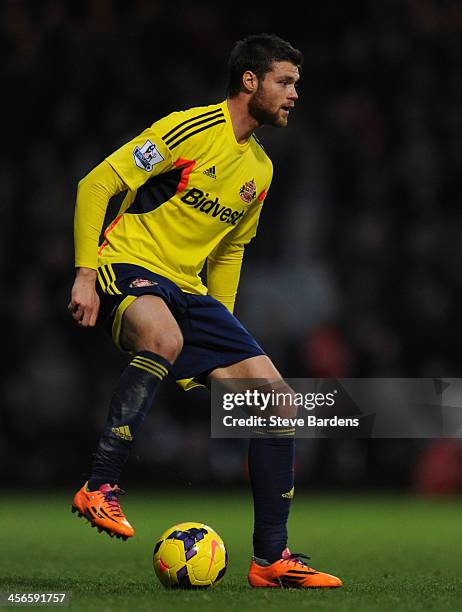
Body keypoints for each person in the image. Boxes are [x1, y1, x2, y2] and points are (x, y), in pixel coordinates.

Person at [69, 33, 342, 589]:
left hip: (188, 292)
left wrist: (221, 332)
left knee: (278, 402)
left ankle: (271, 559)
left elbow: (230, 250)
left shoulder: (260, 170)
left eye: (296, 85)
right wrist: (83, 274)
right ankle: (99, 486)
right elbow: (95, 184)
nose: (294, 95)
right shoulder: (190, 128)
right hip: (128, 264)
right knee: (163, 340)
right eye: (284, 82)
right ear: (250, 81)